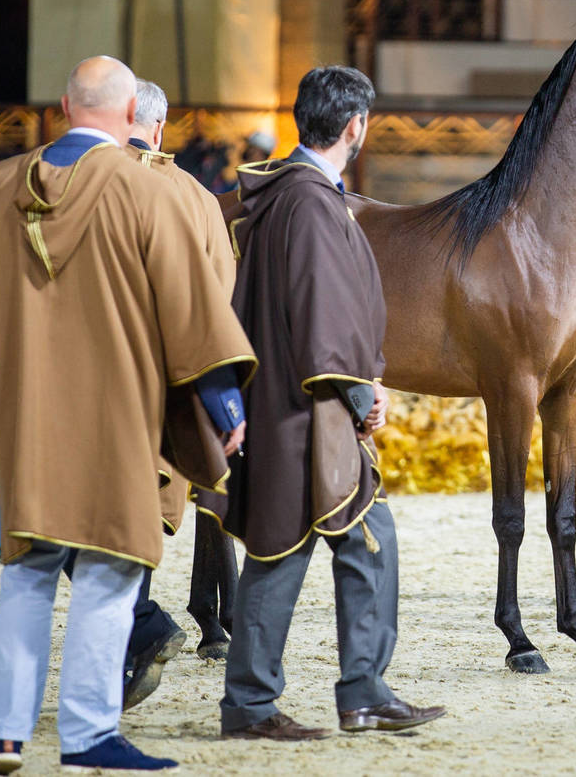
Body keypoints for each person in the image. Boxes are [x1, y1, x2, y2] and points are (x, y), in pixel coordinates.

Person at [0, 56, 256, 775]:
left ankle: (7, 737)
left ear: (63, 106)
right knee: (110, 575)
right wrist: (226, 406)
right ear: (131, 114)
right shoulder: (150, 192)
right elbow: (195, 317)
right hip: (115, 421)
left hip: (23, 419)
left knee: (26, 577)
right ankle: (86, 737)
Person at [219, 65, 444, 740]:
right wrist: (360, 388)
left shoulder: (284, 195)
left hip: (282, 400)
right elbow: (325, 313)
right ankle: (280, 702)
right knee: (303, 547)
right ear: (356, 126)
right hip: (308, 408)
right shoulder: (314, 203)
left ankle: (336, 693)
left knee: (315, 543)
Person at [124, 79, 243, 680]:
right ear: (162, 126)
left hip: (89, 387)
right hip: (171, 386)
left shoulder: (66, 185)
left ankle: (144, 626)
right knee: (144, 511)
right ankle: (173, 622)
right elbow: (220, 306)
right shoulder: (196, 198)